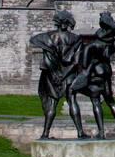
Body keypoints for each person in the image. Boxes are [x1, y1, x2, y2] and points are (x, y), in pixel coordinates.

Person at [29, 10, 82, 139]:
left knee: (52, 103)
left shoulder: (47, 37)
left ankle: (45, 133)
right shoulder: (75, 38)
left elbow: (33, 40)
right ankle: (80, 132)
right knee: (72, 101)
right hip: (68, 75)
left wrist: (55, 74)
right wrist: (64, 75)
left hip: (53, 75)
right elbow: (75, 62)